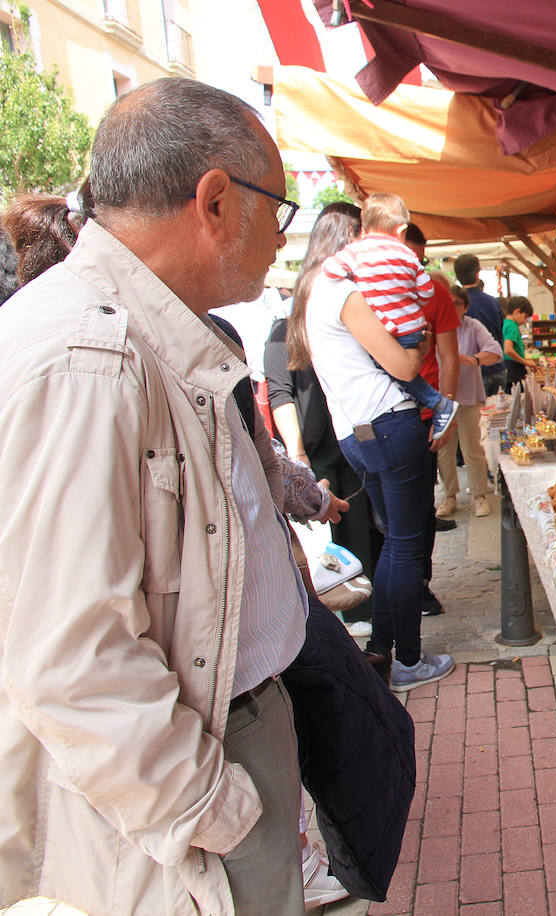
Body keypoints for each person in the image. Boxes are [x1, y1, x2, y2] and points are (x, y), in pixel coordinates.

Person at [0, 77, 326, 913]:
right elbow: (72, 657)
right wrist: (211, 806)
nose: (281, 241)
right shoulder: (88, 356)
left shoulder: (154, 331)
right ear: (214, 200)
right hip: (188, 787)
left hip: (226, 732)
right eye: (278, 211)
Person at [304, 201, 456, 693]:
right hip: (390, 424)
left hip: (358, 433)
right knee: (406, 547)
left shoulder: (312, 294)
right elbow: (405, 366)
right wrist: (418, 343)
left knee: (395, 544)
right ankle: (409, 660)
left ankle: (385, 653)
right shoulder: (345, 293)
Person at [265, 202, 384, 629]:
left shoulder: (351, 308)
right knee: (333, 551)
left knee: (365, 540)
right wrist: (298, 456)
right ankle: (355, 627)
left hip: (355, 441)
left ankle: (369, 624)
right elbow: (280, 392)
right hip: (320, 452)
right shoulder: (290, 322)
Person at [321, 192, 457, 440]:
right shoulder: (401, 266)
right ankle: (440, 405)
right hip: (386, 414)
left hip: (411, 410)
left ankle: (440, 405)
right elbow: (424, 291)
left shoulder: (354, 268)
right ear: (400, 232)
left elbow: (447, 357)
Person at [400, 223, 459, 614]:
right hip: (375, 416)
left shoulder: (434, 292)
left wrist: (446, 411)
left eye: (418, 259)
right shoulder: (356, 291)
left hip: (422, 414)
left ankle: (419, 584)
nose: (412, 266)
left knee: (421, 507)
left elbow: (449, 356)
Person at [444, 283, 503, 518]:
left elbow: (496, 351)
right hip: (440, 399)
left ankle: (479, 495)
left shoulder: (472, 326)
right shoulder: (435, 327)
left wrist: (472, 360)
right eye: (447, 303)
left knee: (472, 449)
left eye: (457, 303)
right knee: (444, 451)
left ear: (465, 306)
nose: (452, 308)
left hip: (468, 396)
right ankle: (450, 496)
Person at [453, 252, 506, 396]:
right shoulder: (493, 303)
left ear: (457, 276)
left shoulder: (455, 308)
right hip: (497, 367)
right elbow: (500, 333)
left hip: (474, 374)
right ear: (478, 274)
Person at [502, 295, 538, 391]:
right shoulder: (512, 326)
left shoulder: (505, 323)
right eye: (525, 317)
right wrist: (526, 362)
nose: (525, 321)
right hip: (513, 368)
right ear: (517, 311)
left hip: (508, 368)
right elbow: (508, 350)